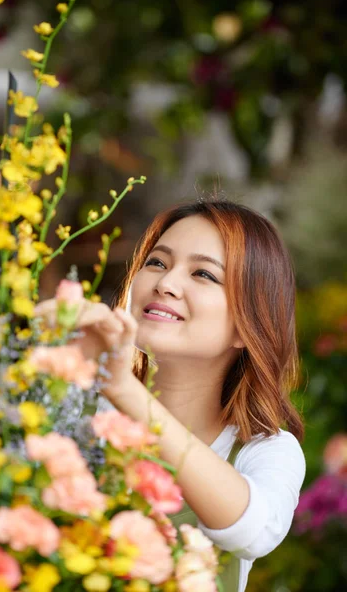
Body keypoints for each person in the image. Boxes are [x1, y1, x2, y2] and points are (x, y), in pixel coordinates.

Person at [36, 196, 306, 592]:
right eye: (157, 262)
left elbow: (253, 530)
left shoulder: (264, 450)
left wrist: (125, 391)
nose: (165, 283)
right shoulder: (74, 405)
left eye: (204, 275)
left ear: (245, 326)